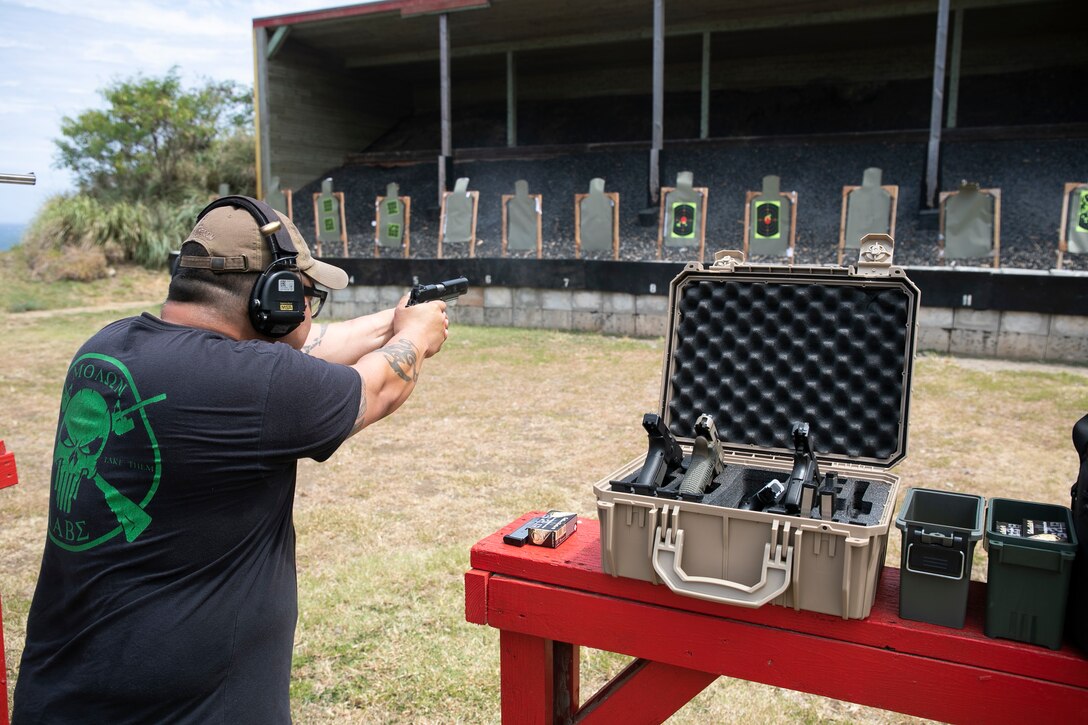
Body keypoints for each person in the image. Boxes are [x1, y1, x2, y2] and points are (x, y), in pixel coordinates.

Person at [13, 196, 449, 723]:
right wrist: (416, 338)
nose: (308, 309)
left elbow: (302, 351)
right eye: (305, 294)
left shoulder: (108, 346)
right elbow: (375, 388)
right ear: (273, 295)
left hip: (61, 696)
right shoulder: (253, 383)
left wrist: (403, 317)